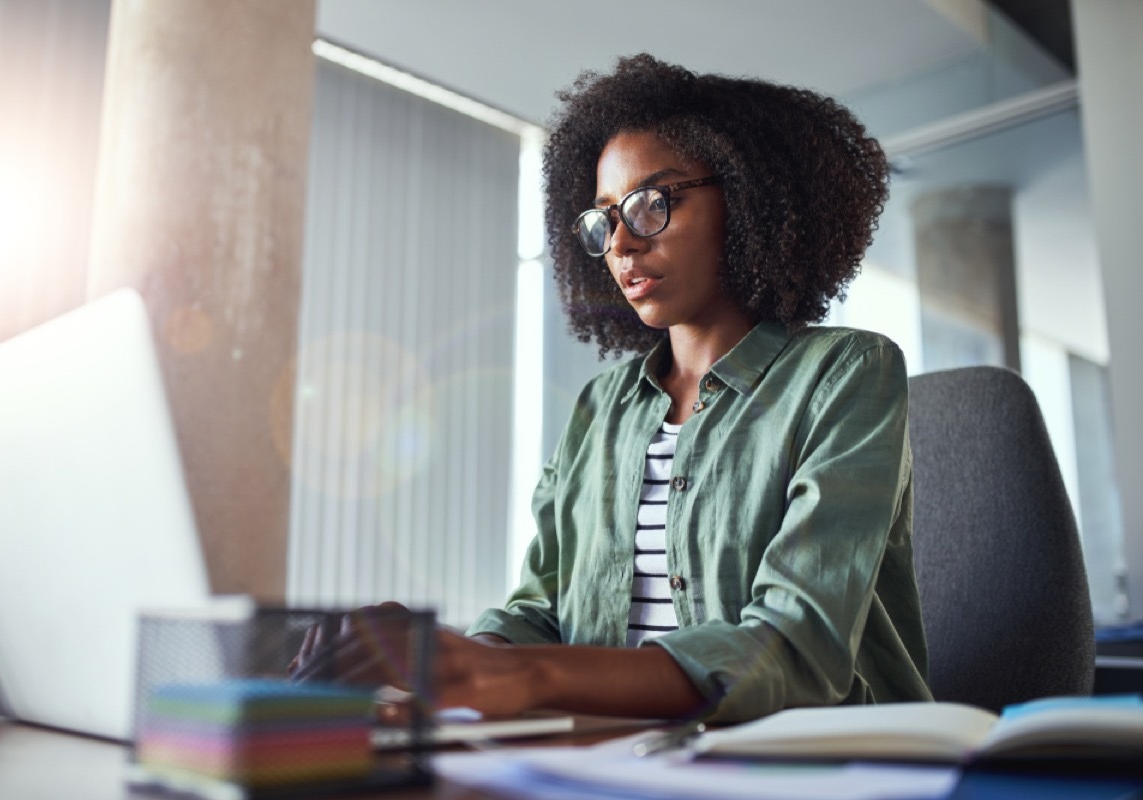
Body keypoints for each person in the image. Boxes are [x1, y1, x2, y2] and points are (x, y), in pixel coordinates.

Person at [297, 53, 933, 724]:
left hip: (817, 761)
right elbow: (539, 613)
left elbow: (798, 647)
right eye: (604, 220)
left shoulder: (847, 374)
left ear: (749, 199)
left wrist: (518, 674)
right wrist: (449, 661)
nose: (621, 244)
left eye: (653, 202)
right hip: (620, 757)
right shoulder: (601, 407)